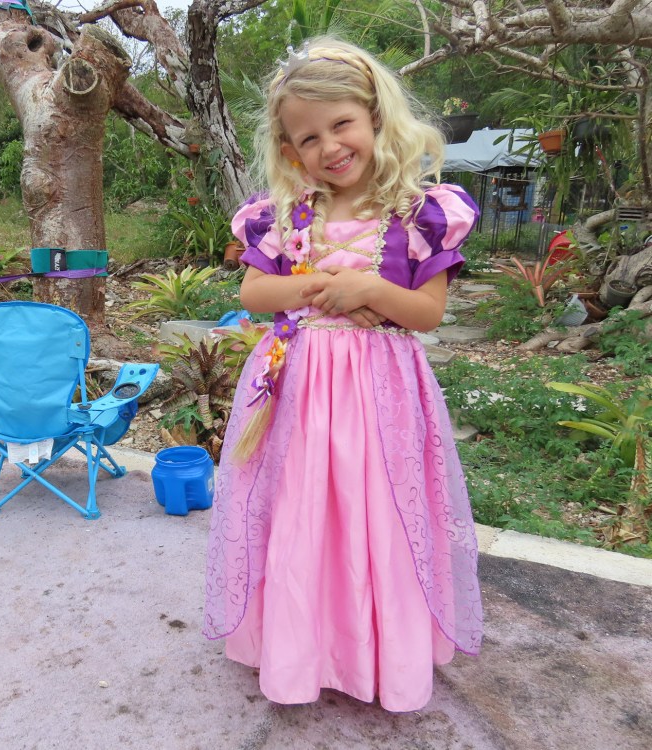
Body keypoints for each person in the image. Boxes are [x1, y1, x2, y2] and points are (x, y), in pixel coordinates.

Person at [202, 36, 484, 712]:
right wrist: (318, 288)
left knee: (376, 514)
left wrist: (371, 290)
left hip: (380, 398)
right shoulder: (285, 215)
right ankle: (300, 652)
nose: (329, 146)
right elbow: (254, 294)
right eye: (309, 137)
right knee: (303, 512)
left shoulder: (420, 213)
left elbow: (426, 314)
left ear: (375, 117)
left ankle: (379, 656)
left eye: (342, 124)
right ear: (290, 150)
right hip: (300, 395)